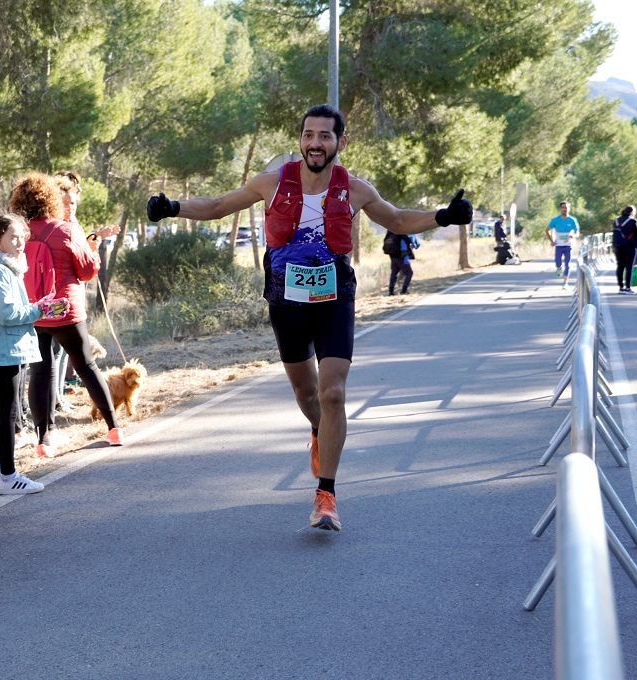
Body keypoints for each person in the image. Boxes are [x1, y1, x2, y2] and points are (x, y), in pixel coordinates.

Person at [146, 103, 472, 531]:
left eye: (324, 136)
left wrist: (443, 217)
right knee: (307, 395)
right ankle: (322, 433)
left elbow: (395, 218)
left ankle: (326, 494)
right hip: (286, 299)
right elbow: (220, 205)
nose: (315, 143)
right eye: (309, 135)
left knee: (333, 393)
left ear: (339, 141)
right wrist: (173, 207)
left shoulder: (355, 188)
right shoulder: (271, 182)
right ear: (300, 139)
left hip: (336, 297)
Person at [9, 173, 123, 457]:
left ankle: (44, 439)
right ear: (51, 198)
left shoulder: (17, 232)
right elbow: (87, 270)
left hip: (34, 310)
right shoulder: (65, 229)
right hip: (66, 310)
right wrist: (94, 251)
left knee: (40, 371)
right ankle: (113, 428)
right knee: (86, 366)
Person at [0, 214, 69, 493]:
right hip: (3, 348)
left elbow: (12, 309)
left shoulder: (5, 267)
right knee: (9, 411)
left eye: (21, 236)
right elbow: (8, 313)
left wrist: (38, 306)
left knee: (6, 410)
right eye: (12, 237)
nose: (20, 242)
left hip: (8, 346)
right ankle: (8, 476)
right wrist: (40, 310)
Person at [546, 200, 579, 287]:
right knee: (558, 262)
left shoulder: (572, 220)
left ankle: (565, 282)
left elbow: (577, 232)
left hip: (569, 245)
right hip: (559, 245)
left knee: (568, 264)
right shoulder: (555, 220)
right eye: (563, 207)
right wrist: (552, 241)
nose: (565, 209)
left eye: (567, 207)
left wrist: (573, 235)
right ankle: (558, 268)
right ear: (560, 209)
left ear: (569, 209)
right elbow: (547, 230)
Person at [612, 205, 637, 293]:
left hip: (618, 247)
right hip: (629, 247)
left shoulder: (616, 220)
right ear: (632, 212)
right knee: (629, 267)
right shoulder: (633, 221)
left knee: (620, 266)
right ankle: (628, 287)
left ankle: (620, 287)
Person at [387, 231, 420, 296]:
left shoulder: (391, 231)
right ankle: (404, 290)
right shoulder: (406, 231)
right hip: (402, 256)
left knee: (394, 273)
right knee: (409, 273)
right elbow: (416, 244)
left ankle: (391, 291)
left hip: (393, 255)